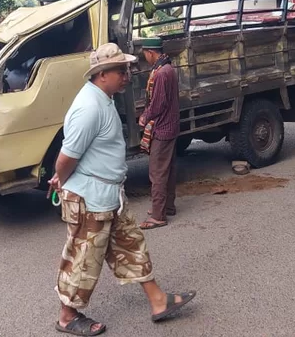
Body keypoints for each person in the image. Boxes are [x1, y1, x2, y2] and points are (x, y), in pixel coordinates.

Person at [48, 42, 195, 336]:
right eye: (121, 70)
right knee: (84, 259)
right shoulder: (89, 107)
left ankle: (158, 301)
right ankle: (66, 316)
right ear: (102, 74)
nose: (127, 75)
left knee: (131, 245)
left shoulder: (103, 97)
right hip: (90, 200)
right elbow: (67, 157)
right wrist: (60, 179)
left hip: (109, 197)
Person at [137, 37, 180, 230]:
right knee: (167, 169)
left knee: (157, 172)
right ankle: (167, 206)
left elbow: (158, 103)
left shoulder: (161, 73)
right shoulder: (167, 68)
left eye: (144, 53)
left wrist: (145, 116)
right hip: (170, 126)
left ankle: (158, 215)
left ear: (150, 52)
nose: (144, 57)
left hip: (162, 128)